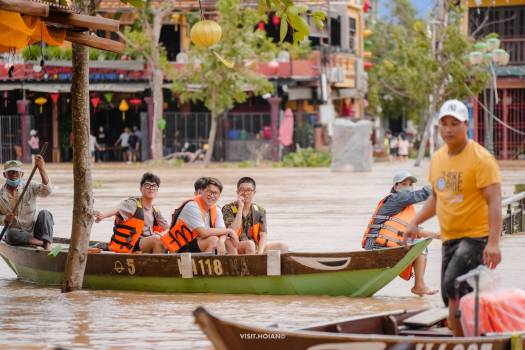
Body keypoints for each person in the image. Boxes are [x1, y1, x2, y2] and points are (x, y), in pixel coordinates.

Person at [403, 99, 502, 336]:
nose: (448, 129)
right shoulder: (437, 159)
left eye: (454, 123)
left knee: (451, 286)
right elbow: (437, 198)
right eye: (444, 124)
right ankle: (463, 339)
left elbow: (495, 201)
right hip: (449, 237)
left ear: (466, 124)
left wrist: (494, 242)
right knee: (453, 298)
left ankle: (470, 336)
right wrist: (415, 222)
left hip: (476, 238)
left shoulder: (481, 159)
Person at [362, 170, 438, 296]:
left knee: (421, 244)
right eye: (404, 184)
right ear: (396, 186)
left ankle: (419, 286)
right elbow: (426, 193)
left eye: (410, 184)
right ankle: (419, 285)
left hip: (383, 245)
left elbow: (415, 232)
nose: (408, 187)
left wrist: (438, 236)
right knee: (420, 247)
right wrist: (442, 186)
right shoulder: (397, 198)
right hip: (376, 245)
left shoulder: (405, 207)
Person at [94, 172, 169, 253]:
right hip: (131, 244)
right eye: (147, 185)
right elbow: (117, 209)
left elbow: (169, 228)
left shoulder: (155, 212)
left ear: (157, 190)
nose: (151, 188)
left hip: (147, 242)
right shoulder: (132, 204)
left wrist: (161, 234)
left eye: (154, 186)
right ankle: (158, 264)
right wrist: (102, 215)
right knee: (157, 240)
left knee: (168, 241)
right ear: (140, 188)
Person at [161, 177, 238, 254]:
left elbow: (222, 231)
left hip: (200, 243)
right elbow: (203, 232)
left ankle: (233, 265)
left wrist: (221, 241)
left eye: (215, 193)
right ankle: (206, 265)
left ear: (219, 195)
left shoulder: (216, 209)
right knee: (213, 240)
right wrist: (229, 230)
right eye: (209, 191)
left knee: (229, 243)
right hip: (181, 247)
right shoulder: (192, 206)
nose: (212, 195)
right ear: (202, 192)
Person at [222, 177, 288, 255]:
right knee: (249, 244)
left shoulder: (260, 210)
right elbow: (232, 231)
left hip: (254, 246)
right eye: (242, 190)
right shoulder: (228, 208)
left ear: (254, 192)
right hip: (235, 245)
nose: (245, 193)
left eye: (249, 190)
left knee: (283, 246)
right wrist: (240, 208)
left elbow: (263, 235)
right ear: (237, 192)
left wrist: (260, 253)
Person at [0, 158, 53, 250]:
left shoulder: (30, 186)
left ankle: (47, 245)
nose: (14, 174)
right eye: (11, 172)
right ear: (4, 174)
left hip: (35, 231)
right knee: (11, 234)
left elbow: (47, 192)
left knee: (45, 213)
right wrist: (4, 219)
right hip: (18, 235)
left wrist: (42, 169)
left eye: (17, 172)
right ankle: (41, 243)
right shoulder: (0, 195)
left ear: (22, 174)